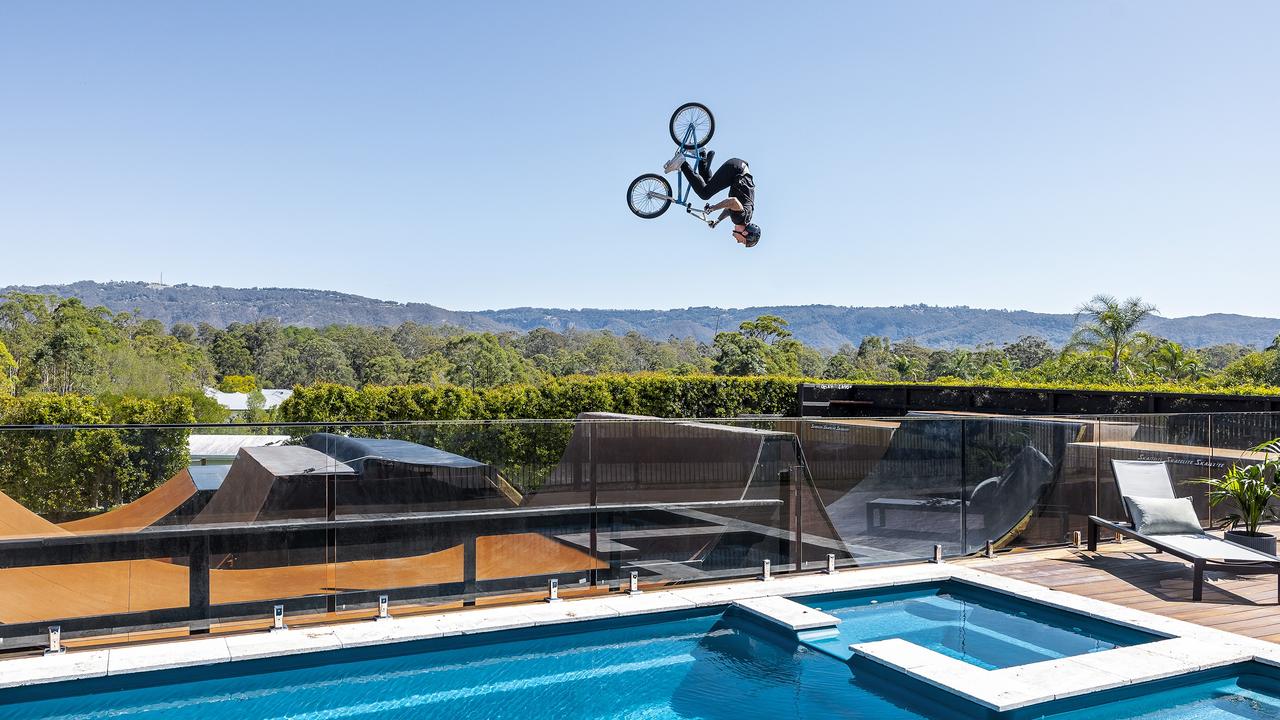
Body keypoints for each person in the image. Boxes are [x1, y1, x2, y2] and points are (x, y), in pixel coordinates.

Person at [664, 149, 762, 247]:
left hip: (738, 168)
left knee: (707, 184)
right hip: (736, 170)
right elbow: (732, 201)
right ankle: (682, 163)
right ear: (745, 233)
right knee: (704, 193)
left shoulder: (743, 217)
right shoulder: (740, 218)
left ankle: (701, 154)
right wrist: (713, 208)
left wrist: (718, 220)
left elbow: (730, 209)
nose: (738, 242)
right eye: (743, 241)